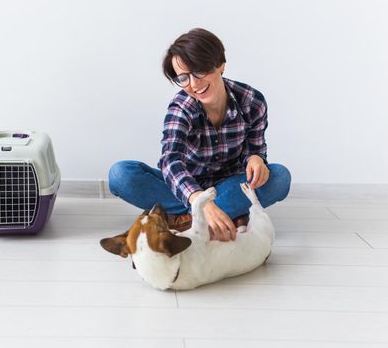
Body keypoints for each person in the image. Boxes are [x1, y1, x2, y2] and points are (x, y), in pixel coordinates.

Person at [109, 28, 291, 242]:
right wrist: (199, 201)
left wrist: (256, 159)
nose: (194, 85)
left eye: (198, 71)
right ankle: (224, 214)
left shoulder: (252, 101)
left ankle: (184, 220)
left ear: (220, 64)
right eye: (183, 78)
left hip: (231, 183)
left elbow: (256, 150)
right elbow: (170, 161)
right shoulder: (181, 107)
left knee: (279, 177)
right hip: (187, 188)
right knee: (121, 174)